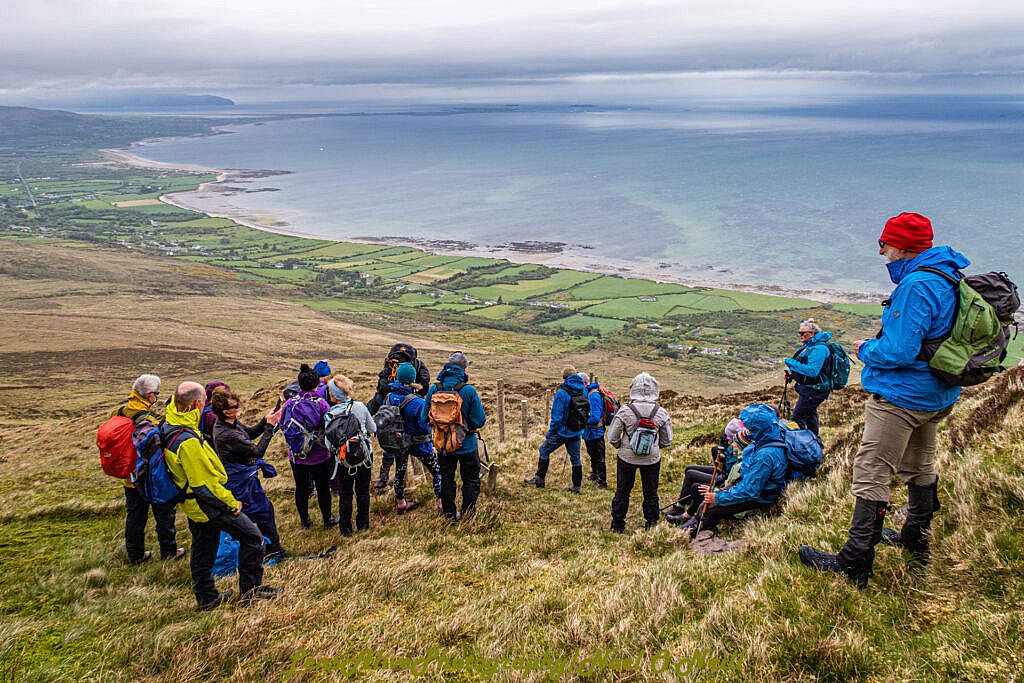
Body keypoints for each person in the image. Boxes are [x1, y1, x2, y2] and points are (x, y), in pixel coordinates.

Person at [800, 212, 969, 588]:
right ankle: (915, 538)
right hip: (936, 393)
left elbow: (899, 350)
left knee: (872, 471)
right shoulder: (948, 275)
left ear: (903, 246)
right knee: (919, 464)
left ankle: (855, 561)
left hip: (902, 397)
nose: (881, 252)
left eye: (885, 244)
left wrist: (866, 348)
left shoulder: (916, 286)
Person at [163, 381, 282, 610]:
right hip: (207, 503)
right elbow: (203, 484)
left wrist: (266, 423)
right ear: (197, 403)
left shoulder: (172, 425)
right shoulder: (188, 441)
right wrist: (231, 503)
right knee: (252, 537)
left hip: (192, 504)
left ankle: (207, 598)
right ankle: (251, 591)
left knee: (203, 548)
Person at [111, 374, 185, 564]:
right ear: (150, 395)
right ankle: (169, 552)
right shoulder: (148, 419)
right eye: (156, 394)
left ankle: (135, 555)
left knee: (135, 516)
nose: (157, 397)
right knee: (163, 513)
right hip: (149, 476)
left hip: (129, 475)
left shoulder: (119, 411)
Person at [685, 403, 789, 538]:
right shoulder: (770, 436)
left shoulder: (766, 455)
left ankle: (696, 530)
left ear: (759, 428)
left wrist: (718, 497)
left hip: (761, 497)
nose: (749, 431)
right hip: (754, 487)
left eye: (751, 428)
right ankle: (695, 521)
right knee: (709, 498)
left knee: (712, 507)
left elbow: (750, 491)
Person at [210, 389, 285, 558]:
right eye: (235, 406)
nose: (239, 408)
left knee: (259, 512)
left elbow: (250, 433)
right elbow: (257, 451)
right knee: (262, 512)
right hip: (240, 481)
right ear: (225, 411)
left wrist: (265, 420)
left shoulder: (230, 423)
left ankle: (264, 546)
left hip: (243, 476)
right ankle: (271, 549)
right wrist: (270, 427)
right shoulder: (226, 434)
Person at [422, 351, 487, 522]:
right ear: (464, 369)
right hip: (467, 445)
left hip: (443, 445)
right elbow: (480, 420)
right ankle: (468, 513)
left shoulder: (435, 389)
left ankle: (449, 515)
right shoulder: (468, 391)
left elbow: (423, 417)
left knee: (446, 479)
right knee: (471, 479)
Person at [607, 372, 673, 532]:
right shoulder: (661, 412)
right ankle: (651, 523)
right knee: (651, 492)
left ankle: (618, 524)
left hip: (626, 458)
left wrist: (622, 447)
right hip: (651, 459)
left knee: (622, 491)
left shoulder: (625, 411)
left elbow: (612, 437)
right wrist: (654, 447)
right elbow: (667, 440)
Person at [378, 362, 441, 514]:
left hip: (399, 443)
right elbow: (425, 425)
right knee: (437, 472)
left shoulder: (388, 398)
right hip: (419, 444)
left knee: (400, 471)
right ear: (412, 379)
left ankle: (401, 503)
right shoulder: (418, 402)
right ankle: (441, 502)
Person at [281, 364, 337, 529]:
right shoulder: (321, 404)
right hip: (319, 455)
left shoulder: (290, 403)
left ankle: (305, 521)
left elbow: (283, 424)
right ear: (316, 384)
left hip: (297, 455)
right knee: (323, 488)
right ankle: (328, 520)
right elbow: (329, 428)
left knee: (301, 489)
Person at [368, 343, 431, 489]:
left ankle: (385, 480)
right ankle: (432, 480)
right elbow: (424, 388)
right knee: (422, 448)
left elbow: (381, 389)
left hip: (390, 405)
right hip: (411, 409)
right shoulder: (418, 366)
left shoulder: (390, 365)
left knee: (391, 444)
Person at [664, 418, 747, 524]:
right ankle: (684, 505)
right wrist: (724, 444)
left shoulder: (739, 453)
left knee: (691, 475)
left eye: (730, 439)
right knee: (689, 468)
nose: (729, 441)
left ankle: (682, 509)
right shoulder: (732, 446)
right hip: (724, 474)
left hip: (725, 477)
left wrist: (726, 454)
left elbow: (728, 469)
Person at [324, 374, 377, 536]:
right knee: (363, 491)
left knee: (345, 494)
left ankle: (345, 529)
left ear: (333, 395)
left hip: (342, 459)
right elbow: (373, 428)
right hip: (364, 457)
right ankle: (363, 525)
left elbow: (328, 443)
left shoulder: (330, 415)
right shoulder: (360, 407)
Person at [524, 371, 588, 492]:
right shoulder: (583, 390)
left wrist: (551, 433)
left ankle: (539, 479)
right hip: (576, 431)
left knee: (544, 450)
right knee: (576, 458)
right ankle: (576, 487)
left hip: (562, 432)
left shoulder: (561, 393)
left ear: (564, 378)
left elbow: (556, 418)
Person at [784, 319, 833, 435]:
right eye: (799, 333)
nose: (800, 335)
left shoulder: (819, 349)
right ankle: (814, 443)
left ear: (812, 333)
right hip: (811, 389)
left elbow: (812, 371)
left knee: (797, 418)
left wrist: (790, 363)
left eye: (802, 333)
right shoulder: (811, 346)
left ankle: (800, 445)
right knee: (810, 415)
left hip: (814, 390)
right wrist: (792, 373)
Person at [582, 373, 607, 488]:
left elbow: (595, 417)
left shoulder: (594, 396)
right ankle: (595, 474)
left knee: (599, 456)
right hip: (590, 431)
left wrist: (582, 419)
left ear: (585, 383)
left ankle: (602, 481)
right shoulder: (588, 393)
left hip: (596, 431)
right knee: (592, 454)